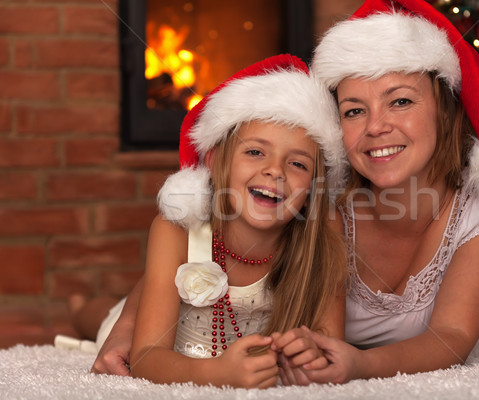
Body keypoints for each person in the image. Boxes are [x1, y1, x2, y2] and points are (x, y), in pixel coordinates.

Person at [270, 0, 479, 384]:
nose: (376, 127)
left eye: (401, 101)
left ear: (445, 109)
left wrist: (362, 365)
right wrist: (312, 352)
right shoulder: (327, 195)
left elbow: (453, 335)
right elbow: (325, 333)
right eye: (354, 111)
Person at [73, 54, 348, 388]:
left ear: (313, 189)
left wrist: (310, 353)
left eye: (298, 164)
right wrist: (217, 374)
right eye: (255, 151)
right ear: (217, 160)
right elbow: (146, 357)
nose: (275, 170)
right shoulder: (175, 230)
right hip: (169, 333)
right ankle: (80, 308)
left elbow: (330, 342)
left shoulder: (325, 236)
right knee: (102, 320)